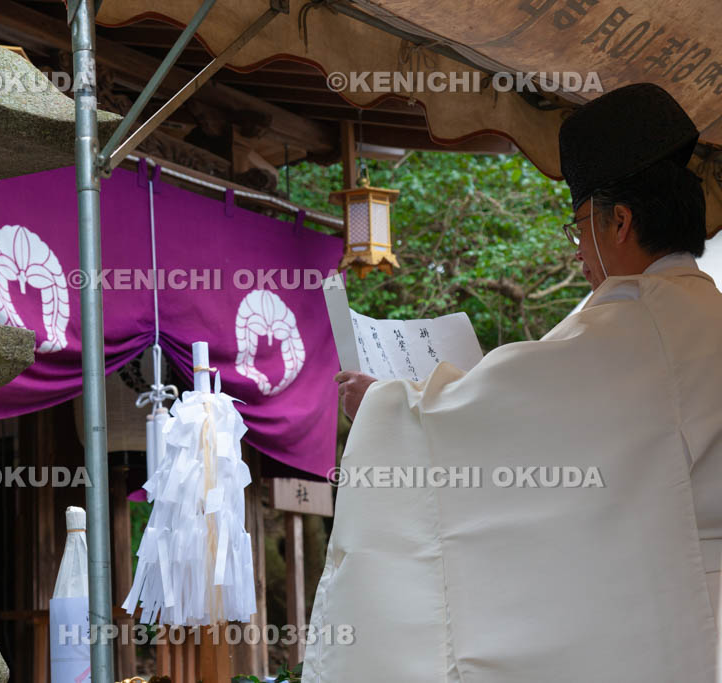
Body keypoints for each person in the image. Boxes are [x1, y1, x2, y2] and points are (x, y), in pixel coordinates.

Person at [304, 83, 721, 683]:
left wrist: (383, 407)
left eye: (580, 227)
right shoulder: (707, 316)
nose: (580, 254)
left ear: (620, 221)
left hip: (661, 610)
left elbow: (488, 425)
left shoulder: (622, 332)